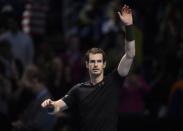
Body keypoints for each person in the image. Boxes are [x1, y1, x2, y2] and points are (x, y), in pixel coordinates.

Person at [41, 4, 135, 131]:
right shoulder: (78, 89)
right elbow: (58, 106)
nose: (96, 64)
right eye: (92, 62)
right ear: (87, 65)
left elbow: (130, 55)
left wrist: (129, 27)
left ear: (104, 64)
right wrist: (51, 105)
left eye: (99, 61)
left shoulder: (114, 81)